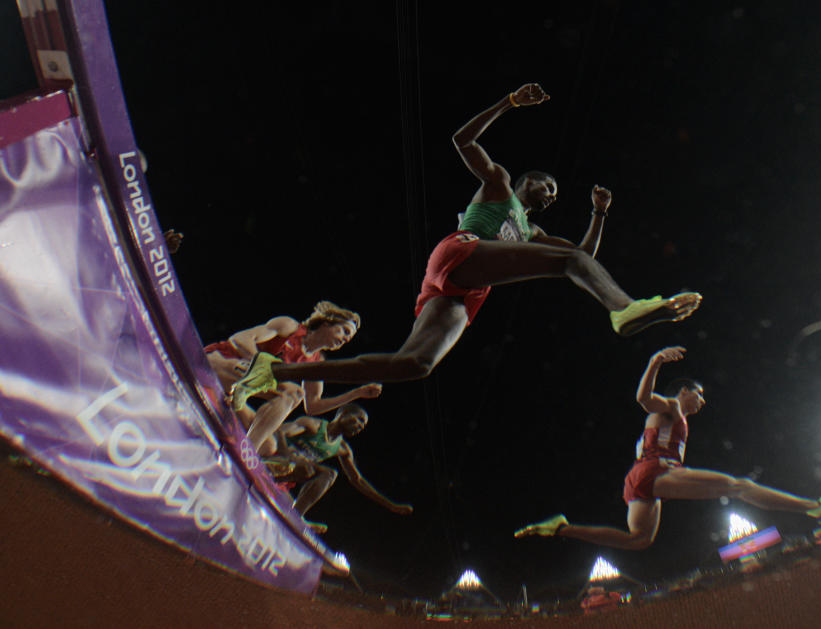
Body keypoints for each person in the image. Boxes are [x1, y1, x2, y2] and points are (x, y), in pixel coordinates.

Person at [229, 84, 701, 408]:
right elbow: (462, 139)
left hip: (462, 292)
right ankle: (624, 309)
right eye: (546, 186)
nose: (551, 194)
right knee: (569, 263)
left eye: (556, 194)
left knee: (414, 365)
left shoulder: (534, 233)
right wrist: (508, 103)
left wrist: (597, 214)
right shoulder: (499, 187)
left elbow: (584, 260)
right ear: (526, 181)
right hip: (459, 251)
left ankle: (277, 373)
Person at [514, 346, 821, 550]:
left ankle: (561, 527)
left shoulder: (670, 421)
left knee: (639, 541)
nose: (702, 400)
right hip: (657, 471)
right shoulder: (673, 407)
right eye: (699, 393)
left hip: (639, 477)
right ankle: (812, 507)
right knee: (739, 486)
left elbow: (643, 441)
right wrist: (656, 361)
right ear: (685, 392)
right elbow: (643, 398)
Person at [205, 301, 382, 454]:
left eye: (349, 338)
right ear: (328, 322)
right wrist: (268, 366)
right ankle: (246, 451)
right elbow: (240, 339)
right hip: (217, 362)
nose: (346, 339)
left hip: (233, 390)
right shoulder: (290, 327)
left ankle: (247, 451)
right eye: (344, 331)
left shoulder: (315, 363)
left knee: (269, 446)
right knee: (292, 390)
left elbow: (312, 406)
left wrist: (357, 393)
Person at [266, 404, 413, 534]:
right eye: (360, 419)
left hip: (287, 475)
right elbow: (279, 431)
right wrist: (288, 456)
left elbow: (358, 480)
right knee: (307, 467)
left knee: (329, 474)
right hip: (273, 459)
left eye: (364, 425)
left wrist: (390, 505)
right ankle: (269, 472)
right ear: (344, 413)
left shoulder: (342, 448)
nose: (361, 426)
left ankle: (293, 516)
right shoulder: (313, 425)